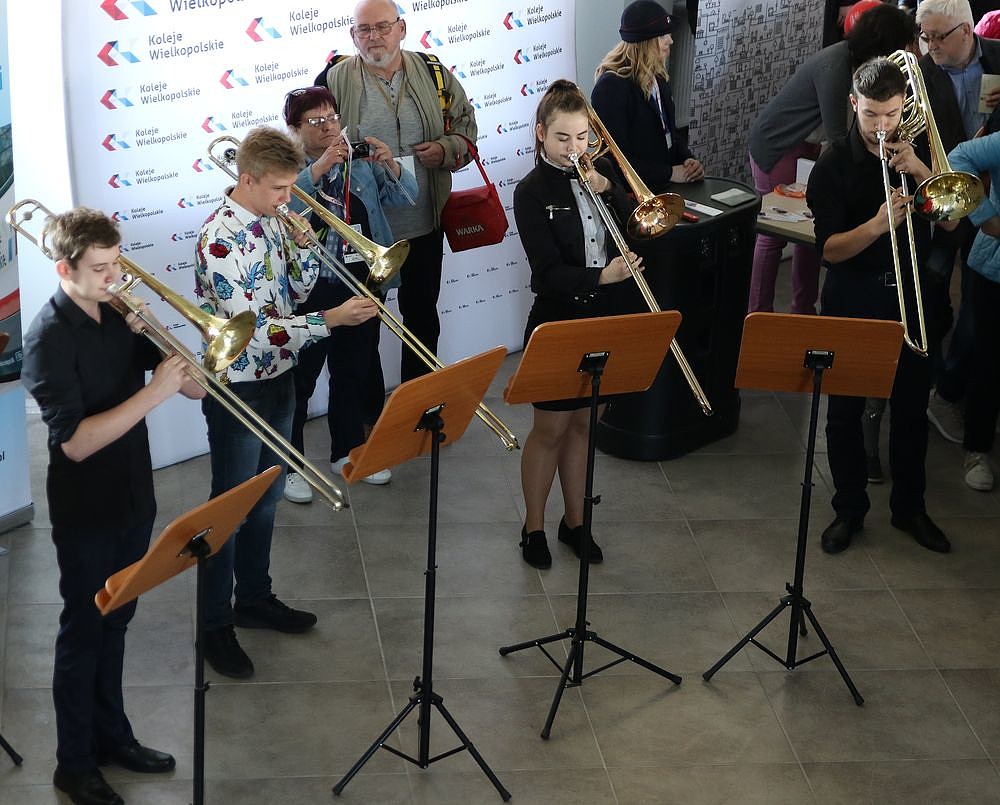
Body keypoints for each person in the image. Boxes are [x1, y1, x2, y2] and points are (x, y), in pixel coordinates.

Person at [21, 207, 204, 805]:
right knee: (84, 631)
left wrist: (157, 334)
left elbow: (197, 387)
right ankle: (73, 764)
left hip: (133, 495)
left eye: (117, 264)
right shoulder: (47, 340)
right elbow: (74, 443)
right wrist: (152, 394)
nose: (113, 278)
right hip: (86, 507)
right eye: (100, 269)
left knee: (117, 621)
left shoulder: (119, 312)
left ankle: (112, 736)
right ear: (65, 269)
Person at [195, 127, 378, 679]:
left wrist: (301, 247)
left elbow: (294, 293)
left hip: (281, 376)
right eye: (279, 189)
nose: (287, 198)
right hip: (240, 386)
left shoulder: (274, 219)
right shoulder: (219, 240)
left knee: (267, 499)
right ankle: (213, 626)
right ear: (247, 179)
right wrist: (332, 320)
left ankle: (254, 598)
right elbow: (254, 331)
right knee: (228, 509)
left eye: (290, 188)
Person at [806, 56, 953, 556]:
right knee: (844, 413)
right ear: (854, 105)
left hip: (912, 293)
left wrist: (922, 170)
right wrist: (876, 225)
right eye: (871, 114)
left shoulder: (916, 152)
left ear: (903, 106)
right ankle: (848, 510)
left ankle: (910, 509)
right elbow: (829, 251)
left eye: (891, 113)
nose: (882, 125)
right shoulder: (832, 163)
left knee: (910, 411)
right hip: (855, 295)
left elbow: (952, 222)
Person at [513, 80, 642, 569]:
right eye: (563, 137)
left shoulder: (601, 173)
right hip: (558, 319)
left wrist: (612, 192)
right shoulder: (531, 191)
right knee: (550, 429)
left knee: (587, 423)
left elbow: (636, 226)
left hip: (604, 315)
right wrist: (601, 275)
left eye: (583, 137)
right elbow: (546, 272)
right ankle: (533, 528)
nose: (575, 148)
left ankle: (575, 523)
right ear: (541, 133)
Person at [318, 0, 477, 382]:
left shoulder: (433, 72)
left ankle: (420, 405)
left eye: (383, 27)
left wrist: (445, 150)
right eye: (365, 29)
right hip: (362, 233)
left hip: (423, 224)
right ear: (353, 35)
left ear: (401, 29)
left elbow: (466, 127)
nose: (374, 36)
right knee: (361, 330)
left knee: (423, 320)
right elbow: (310, 141)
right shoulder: (333, 80)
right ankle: (369, 412)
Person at [281, 85, 418, 500]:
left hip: (361, 280)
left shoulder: (359, 164)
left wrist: (390, 164)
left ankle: (347, 449)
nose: (328, 127)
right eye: (315, 121)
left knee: (353, 370)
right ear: (294, 129)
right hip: (310, 289)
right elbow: (281, 211)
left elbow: (408, 198)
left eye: (332, 118)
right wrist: (319, 168)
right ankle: (289, 465)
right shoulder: (285, 168)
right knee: (301, 380)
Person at [748, 3, 916, 315]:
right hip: (778, 146)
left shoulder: (855, 62)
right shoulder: (836, 65)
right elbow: (840, 136)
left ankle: (803, 310)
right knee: (773, 236)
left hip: (807, 145)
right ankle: (758, 314)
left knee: (812, 230)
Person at [917, 0, 1000, 443]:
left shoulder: (997, 57)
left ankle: (952, 388)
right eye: (925, 36)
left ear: (967, 31)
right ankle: (929, 387)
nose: (929, 46)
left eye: (938, 37)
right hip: (943, 200)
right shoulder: (920, 73)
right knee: (932, 294)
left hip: (986, 195)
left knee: (975, 308)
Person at [591, 0, 704, 194]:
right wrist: (669, 173)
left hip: (666, 183)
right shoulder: (611, 88)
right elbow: (617, 160)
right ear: (646, 43)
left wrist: (687, 160)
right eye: (663, 36)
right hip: (639, 193)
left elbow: (670, 132)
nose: (671, 41)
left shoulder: (658, 76)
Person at [947, 130, 1000, 490]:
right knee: (989, 360)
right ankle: (977, 449)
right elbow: (957, 159)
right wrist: (986, 216)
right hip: (994, 271)